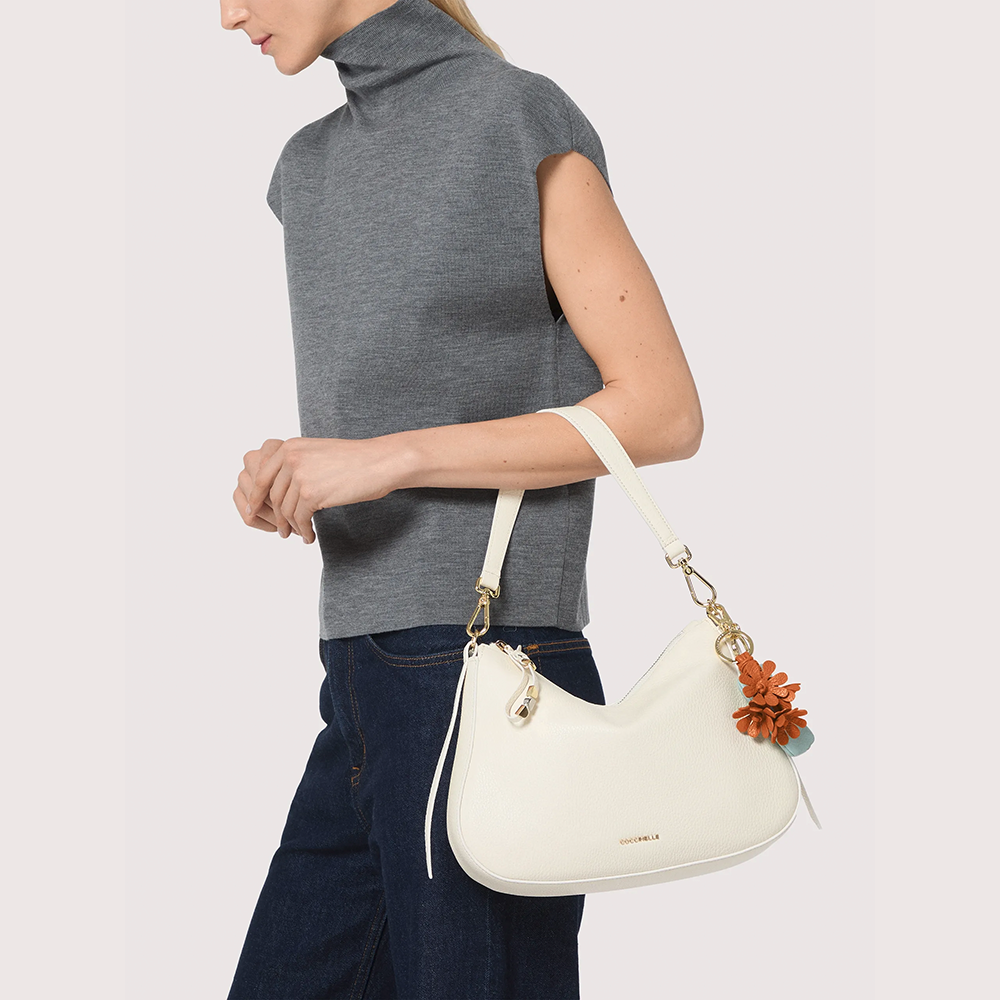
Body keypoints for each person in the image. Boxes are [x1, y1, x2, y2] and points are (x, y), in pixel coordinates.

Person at [221, 1, 703, 997]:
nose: (227, 15)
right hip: (360, 673)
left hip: (493, 666)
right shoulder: (305, 167)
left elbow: (662, 410)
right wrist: (299, 467)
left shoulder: (514, 117)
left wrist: (388, 460)